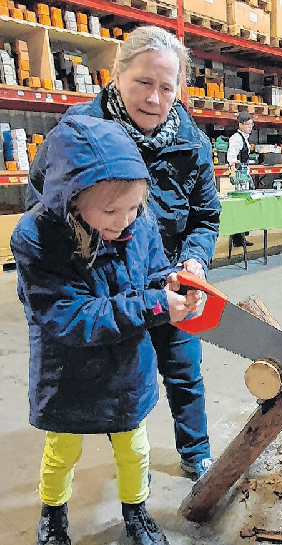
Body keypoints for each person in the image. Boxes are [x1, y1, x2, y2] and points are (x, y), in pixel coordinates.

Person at [26, 26, 221, 480]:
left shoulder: (192, 142)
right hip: (101, 288)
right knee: (117, 378)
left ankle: (196, 455)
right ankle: (131, 467)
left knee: (184, 368)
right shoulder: (77, 132)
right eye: (144, 83)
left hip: (171, 278)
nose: (155, 98)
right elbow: (43, 204)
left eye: (167, 87)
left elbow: (205, 217)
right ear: (117, 76)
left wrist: (193, 260)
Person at [11, 115, 200, 545]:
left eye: (134, 207)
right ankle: (53, 515)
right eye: (111, 211)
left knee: (133, 448)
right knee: (62, 451)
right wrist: (152, 304)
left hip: (126, 365)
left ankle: (137, 513)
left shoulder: (138, 223)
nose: (125, 220)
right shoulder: (37, 238)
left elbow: (151, 273)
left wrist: (168, 283)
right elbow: (73, 317)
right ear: (71, 200)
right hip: (68, 370)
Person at [226, 111, 254, 247]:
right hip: (240, 178)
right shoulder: (236, 138)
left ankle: (241, 236)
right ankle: (238, 237)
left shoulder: (244, 138)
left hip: (244, 176)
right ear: (240, 124)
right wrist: (235, 167)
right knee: (240, 208)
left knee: (245, 208)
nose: (250, 126)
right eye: (248, 124)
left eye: (251, 124)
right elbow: (231, 156)